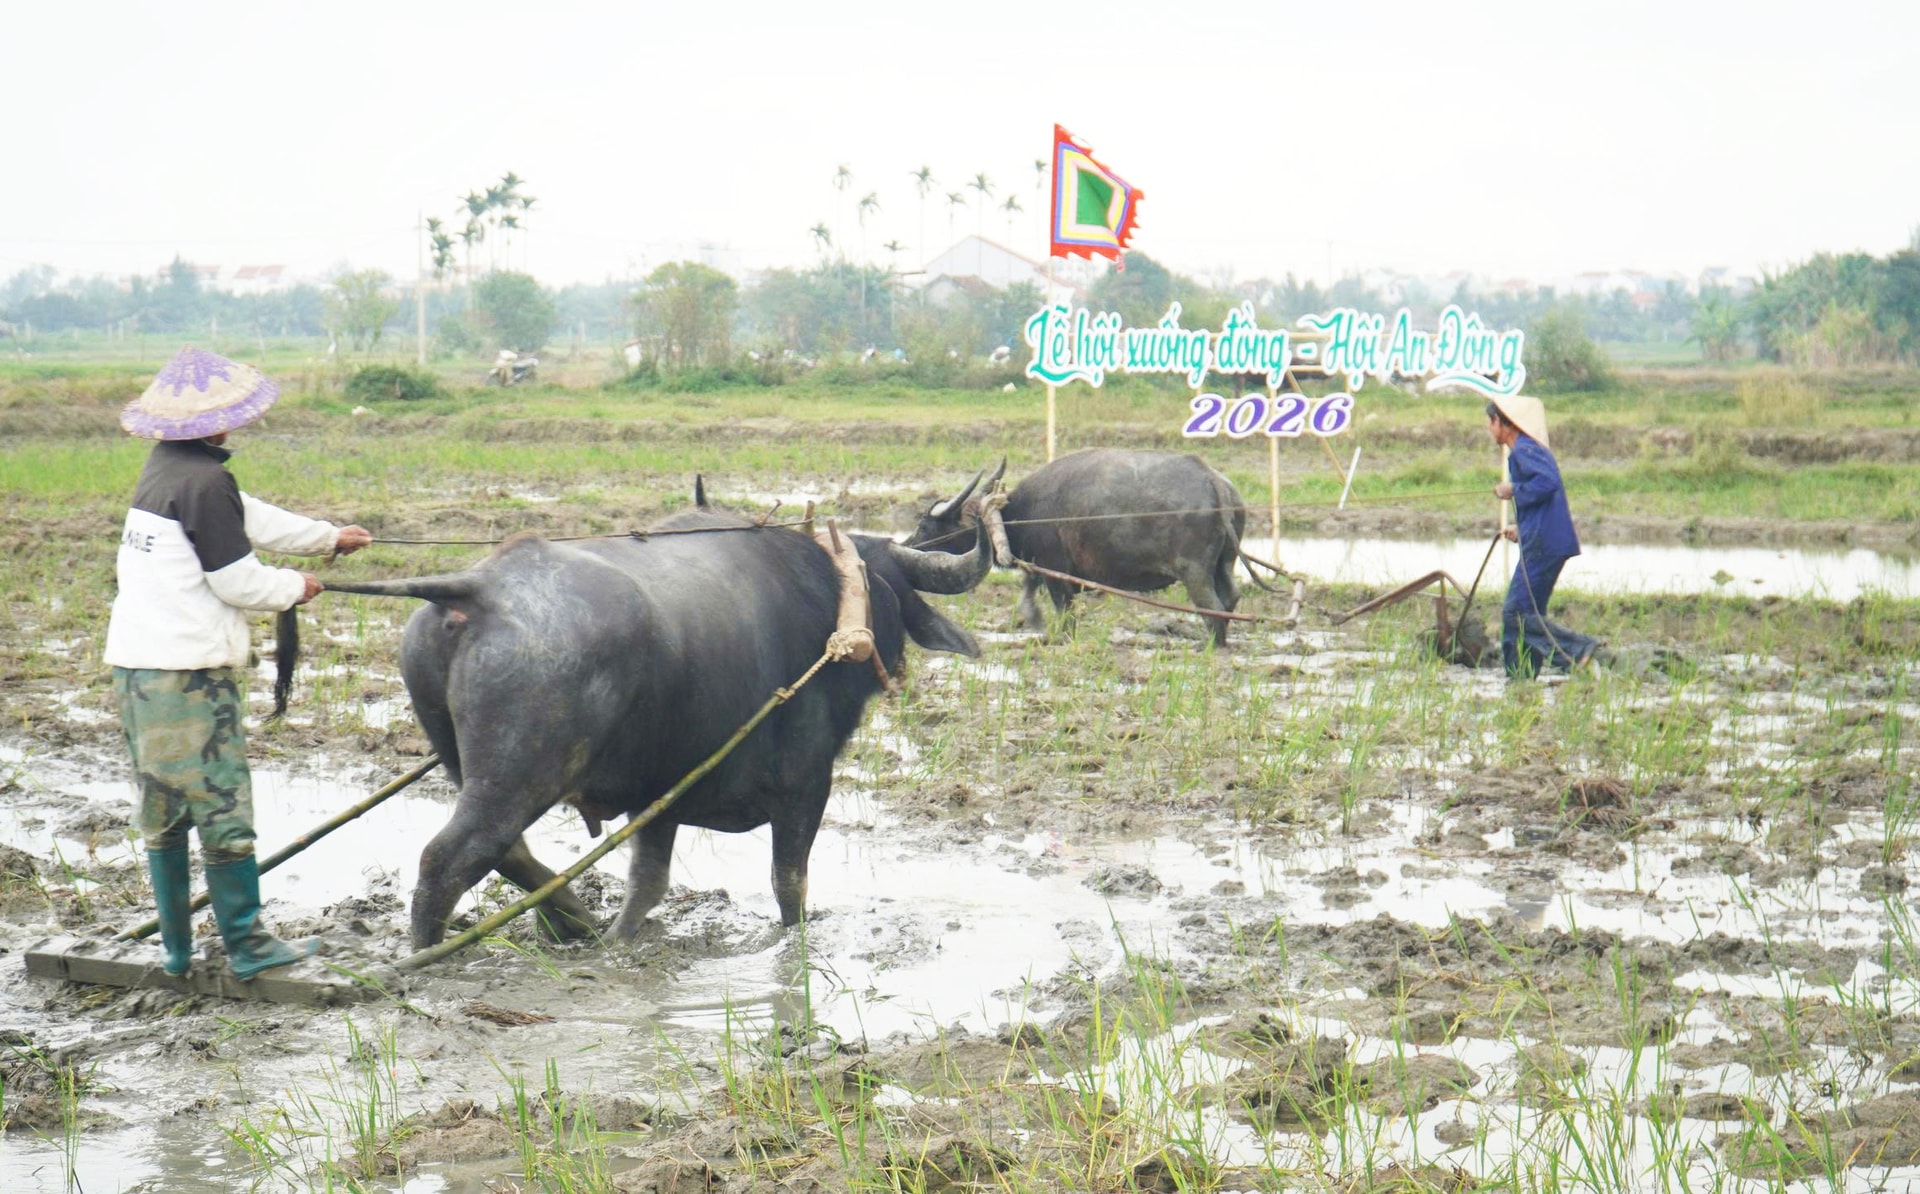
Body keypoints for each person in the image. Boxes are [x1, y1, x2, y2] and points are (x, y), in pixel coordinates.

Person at [106, 347, 372, 979]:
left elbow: (246, 515)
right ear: (218, 421)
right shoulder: (204, 482)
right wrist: (295, 586)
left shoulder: (169, 469)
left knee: (165, 811)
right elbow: (238, 582)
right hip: (189, 675)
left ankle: (177, 951)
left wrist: (327, 536)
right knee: (223, 809)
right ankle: (248, 947)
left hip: (138, 669)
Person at [1486, 395, 1607, 679]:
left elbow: (1548, 482)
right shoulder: (1526, 449)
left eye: (1490, 423)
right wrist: (1522, 528)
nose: (1489, 429)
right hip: (1543, 539)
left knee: (1515, 613)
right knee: (1527, 614)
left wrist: (1513, 489)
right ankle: (1521, 678)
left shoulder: (1524, 450)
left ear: (1502, 422)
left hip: (1544, 544)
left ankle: (1578, 650)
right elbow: (1543, 497)